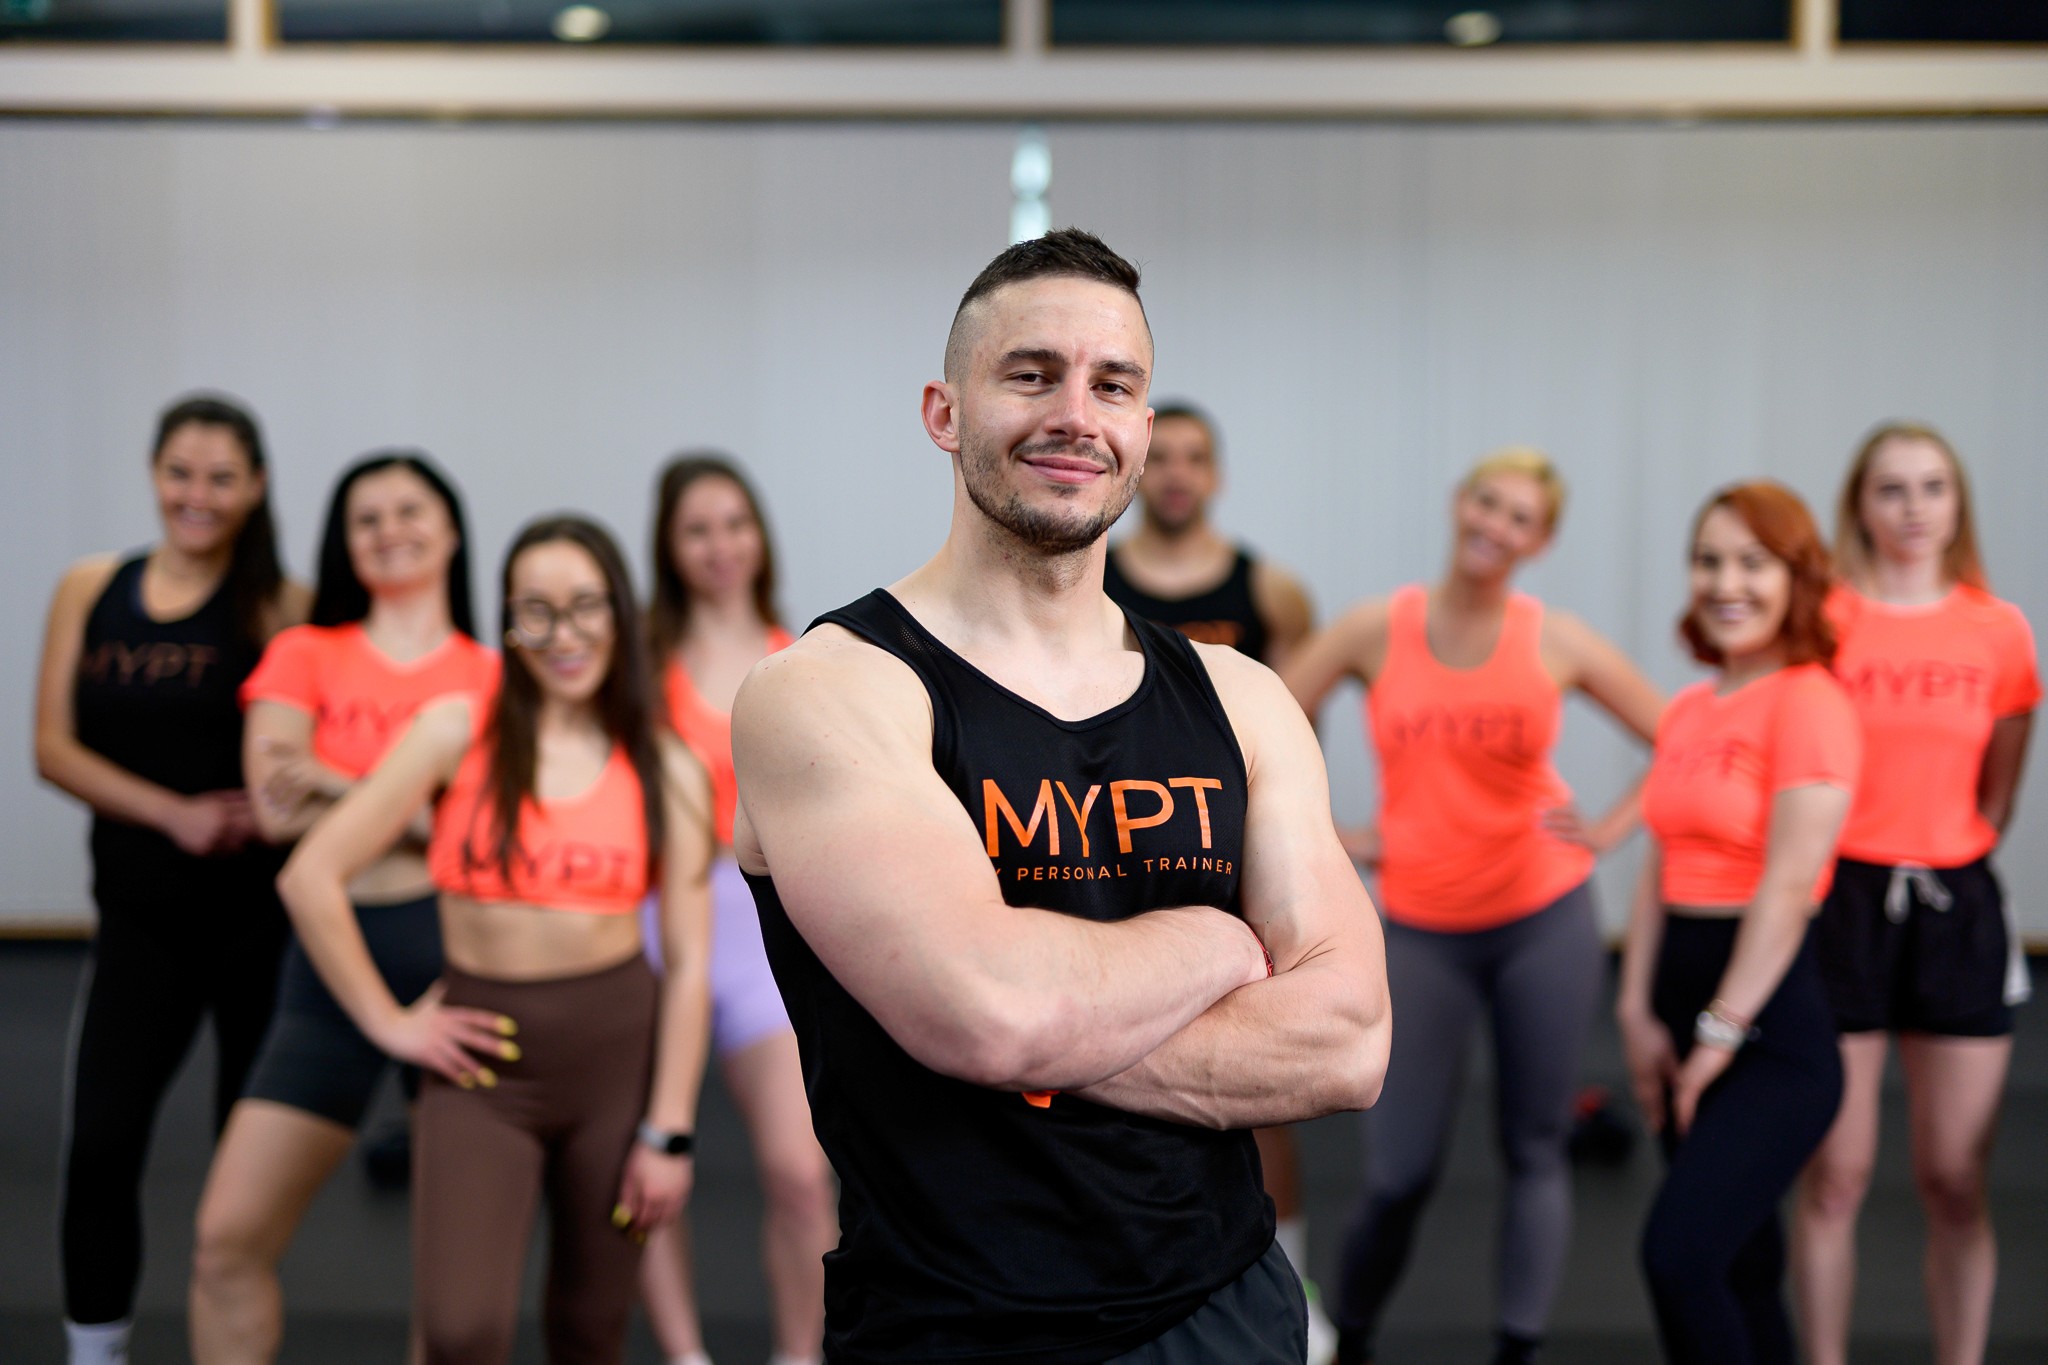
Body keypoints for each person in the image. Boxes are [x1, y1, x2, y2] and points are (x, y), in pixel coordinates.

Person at [731, 227, 1391, 1364]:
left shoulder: (1238, 698)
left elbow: (1346, 1044)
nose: (1073, 414)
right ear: (944, 412)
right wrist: (1218, 942)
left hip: (1223, 1313)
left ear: (1142, 429)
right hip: (951, 1325)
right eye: (1029, 374)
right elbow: (988, 1013)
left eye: (1112, 385)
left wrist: (1029, 1025)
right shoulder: (829, 691)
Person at [275, 516, 715, 1364]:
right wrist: (389, 1022)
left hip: (614, 1064)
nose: (563, 634)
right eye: (536, 610)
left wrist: (670, 1131)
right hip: (480, 1061)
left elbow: (690, 963)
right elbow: (309, 874)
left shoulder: (668, 764)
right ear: (507, 620)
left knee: (590, 1330)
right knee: (460, 1330)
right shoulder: (453, 729)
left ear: (621, 613)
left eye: (586, 605)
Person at [1283, 447, 1665, 1365]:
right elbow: (1263, 719)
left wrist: (1608, 831)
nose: (1497, 525)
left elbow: (1681, 737)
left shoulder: (1557, 637)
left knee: (1535, 1147)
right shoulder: (1377, 628)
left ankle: (1516, 1349)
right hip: (1420, 925)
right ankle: (1356, 1332)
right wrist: (1333, 831)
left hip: (1544, 913)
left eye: (1520, 517)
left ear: (1542, 539)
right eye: (1487, 503)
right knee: (1398, 1173)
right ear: (1461, 505)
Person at [188, 451, 498, 1364]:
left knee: (451, 1282)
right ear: (342, 541)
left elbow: (482, 835)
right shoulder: (305, 652)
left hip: (455, 960)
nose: (389, 528)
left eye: (411, 509)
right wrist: (418, 797)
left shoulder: (493, 676)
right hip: (327, 961)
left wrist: (334, 780)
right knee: (224, 1242)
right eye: (366, 516)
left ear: (449, 529)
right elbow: (278, 813)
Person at [33, 394, 307, 1365]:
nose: (198, 495)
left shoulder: (280, 602)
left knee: (241, 1183)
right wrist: (174, 812)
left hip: (253, 928)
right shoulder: (89, 587)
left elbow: (308, 744)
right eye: (181, 473)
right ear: (154, 474)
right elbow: (50, 747)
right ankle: (93, 1349)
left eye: (221, 477)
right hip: (138, 920)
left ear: (255, 486)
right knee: (100, 1146)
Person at [1793, 425, 2038, 1365]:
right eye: (1891, 488)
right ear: (1860, 501)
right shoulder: (1823, 621)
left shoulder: (1997, 627)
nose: (1912, 507)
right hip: (1842, 903)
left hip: (1956, 905)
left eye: (1932, 487)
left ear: (1956, 502)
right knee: (1837, 1175)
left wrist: (1942, 847)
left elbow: (1999, 789)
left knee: (1953, 1178)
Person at [1103, 402, 1330, 1354]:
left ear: (1217, 474)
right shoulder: (1093, 579)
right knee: (1111, 1059)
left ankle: (1293, 1269)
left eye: (1199, 458)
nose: (1180, 474)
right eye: (1167, 458)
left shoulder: (1270, 590)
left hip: (1229, 851)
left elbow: (1295, 721)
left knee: (1258, 1078)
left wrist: (1304, 830)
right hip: (1113, 852)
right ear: (1142, 468)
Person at [1622, 481, 1859, 1365]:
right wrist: (1637, 1010)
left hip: (1770, 1034)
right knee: (1742, 1266)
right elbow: (1659, 860)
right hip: (1682, 1012)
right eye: (1709, 560)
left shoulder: (1812, 700)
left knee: (1677, 1258)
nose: (1728, 582)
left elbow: (1791, 881)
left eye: (1754, 563)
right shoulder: (1690, 707)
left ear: (1798, 577)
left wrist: (1719, 1035)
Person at [639, 454, 834, 1365]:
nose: (720, 546)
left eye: (733, 523)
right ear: (669, 547)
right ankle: (684, 1355)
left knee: (802, 1172)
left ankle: (801, 1354)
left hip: (761, 926)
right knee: (641, 1165)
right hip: (651, 918)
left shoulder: (803, 660)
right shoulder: (636, 665)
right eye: (697, 529)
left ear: (759, 534)